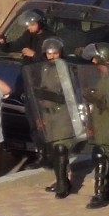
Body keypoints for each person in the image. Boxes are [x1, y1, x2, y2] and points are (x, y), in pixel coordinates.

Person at [33, 38, 78, 199]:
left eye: (55, 53)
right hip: (48, 113)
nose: (52, 57)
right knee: (53, 149)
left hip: (62, 113)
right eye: (49, 53)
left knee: (61, 148)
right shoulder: (44, 68)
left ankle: (62, 186)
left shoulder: (65, 68)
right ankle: (61, 179)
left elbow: (67, 92)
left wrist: (46, 94)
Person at [81, 42, 109, 209]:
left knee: (102, 155)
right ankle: (107, 189)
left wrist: (95, 98)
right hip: (101, 121)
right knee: (104, 156)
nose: (93, 62)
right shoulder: (104, 78)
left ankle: (101, 194)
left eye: (96, 58)